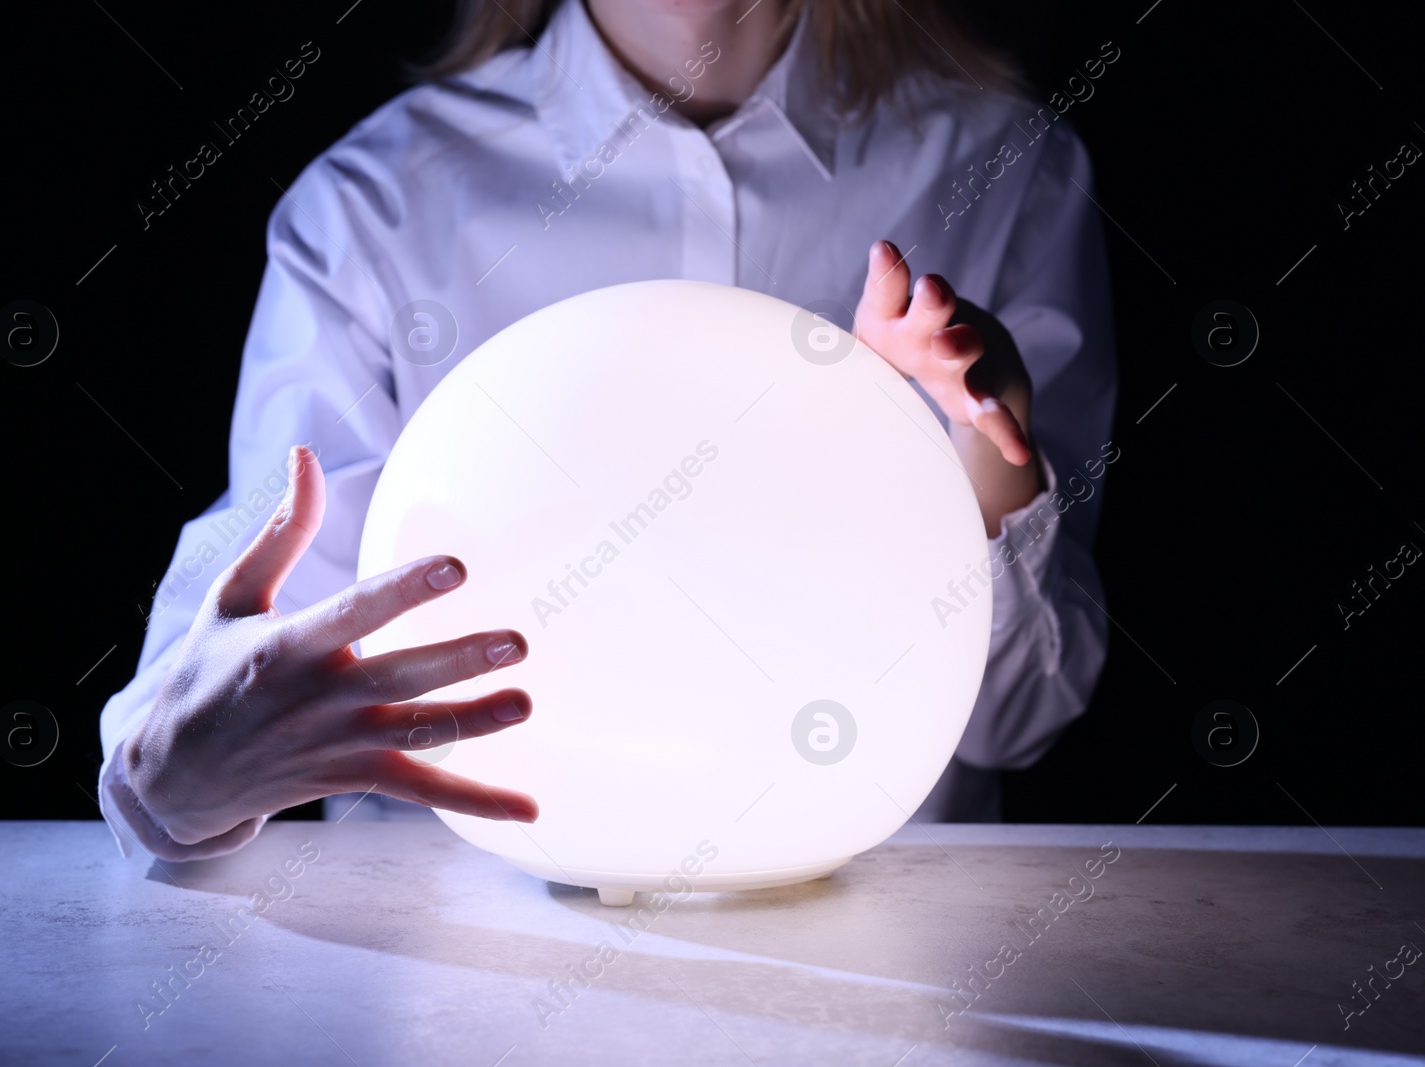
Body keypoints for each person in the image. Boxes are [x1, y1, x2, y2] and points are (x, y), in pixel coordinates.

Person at [98, 0, 1117, 861]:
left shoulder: (1001, 167)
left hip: (876, 967)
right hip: (453, 988)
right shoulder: (378, 205)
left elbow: (1017, 718)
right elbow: (220, 705)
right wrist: (172, 789)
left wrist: (980, 455)